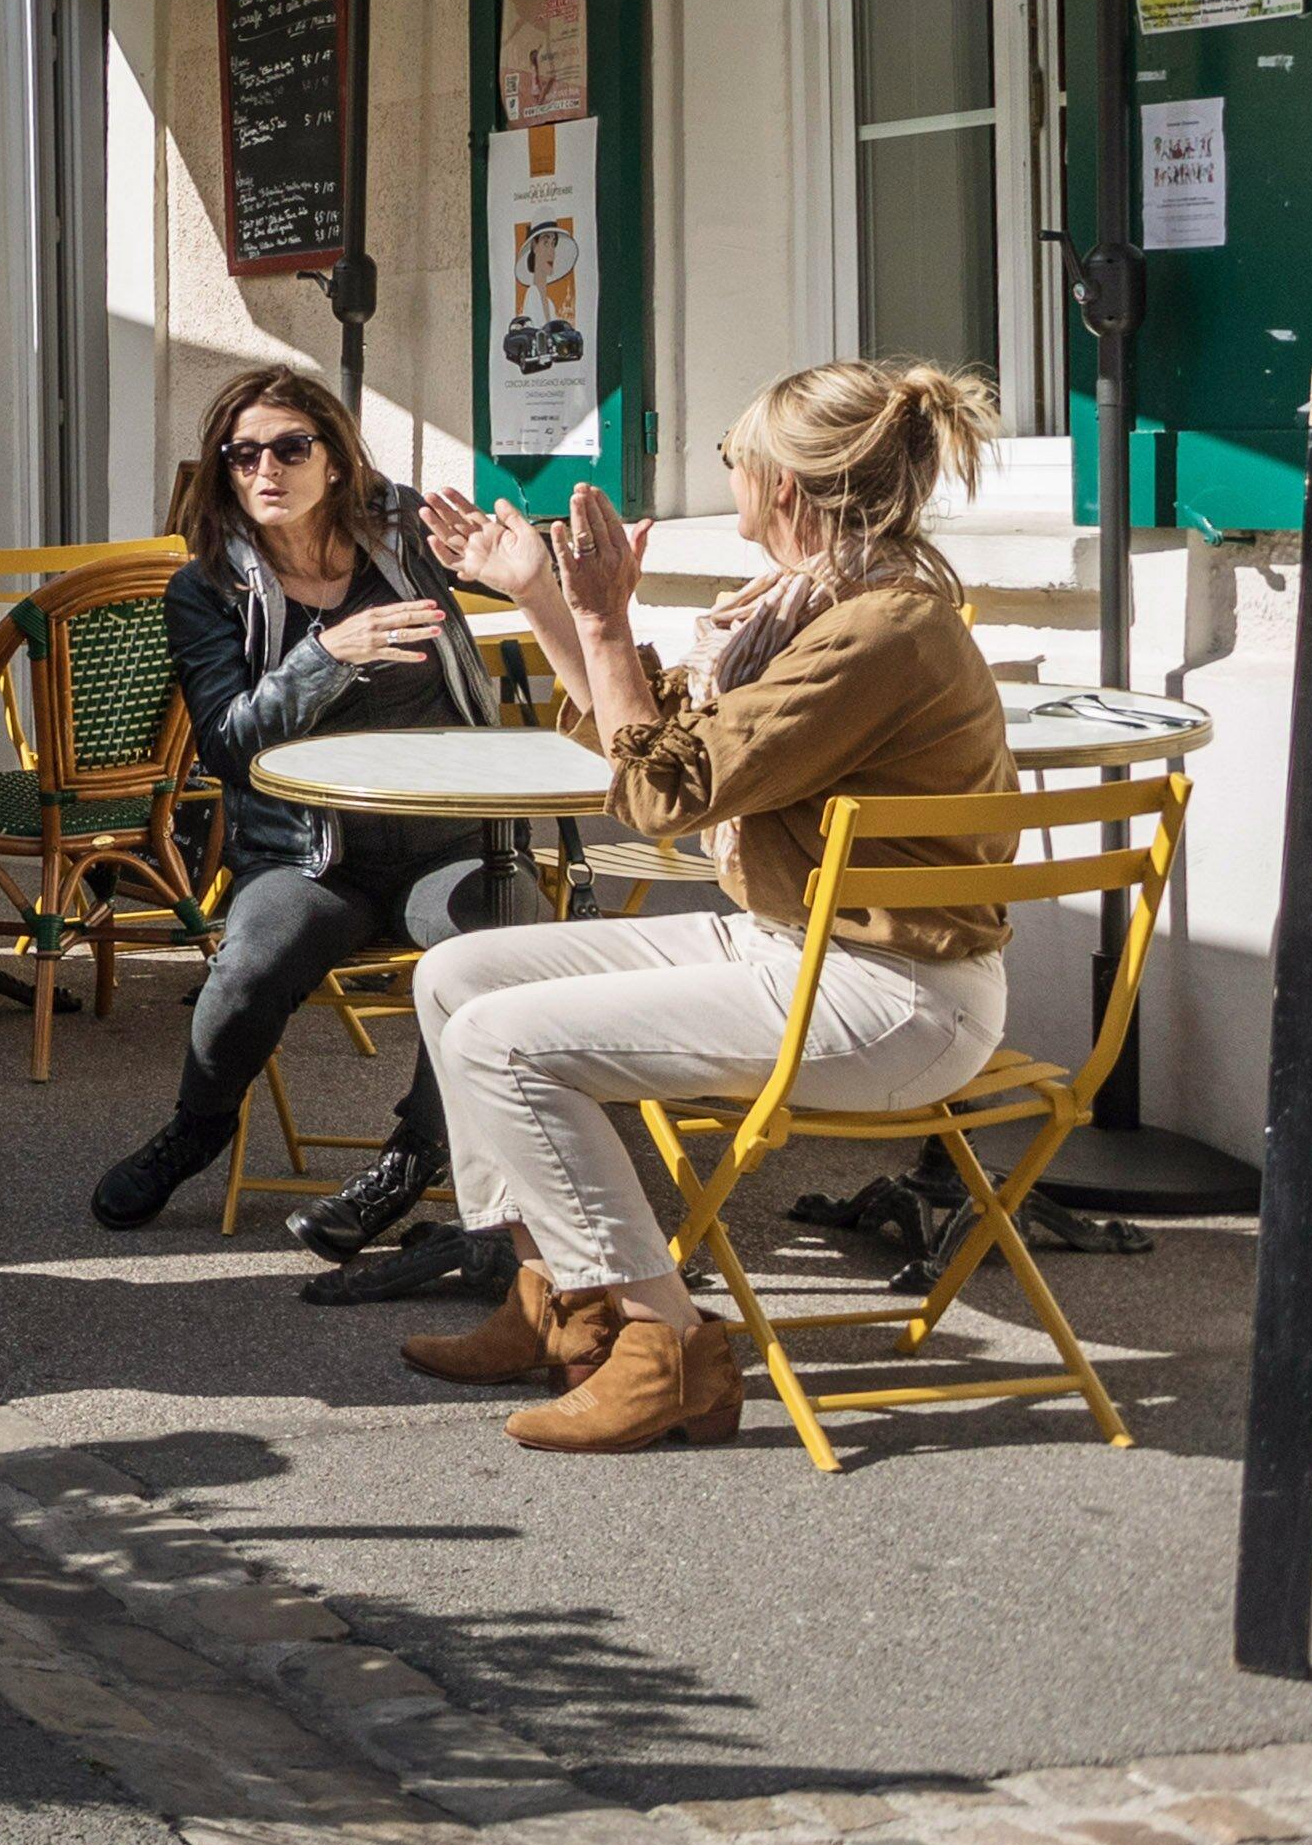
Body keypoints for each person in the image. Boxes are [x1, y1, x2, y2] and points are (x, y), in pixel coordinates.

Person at [387, 361, 1020, 1455]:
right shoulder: (818, 608)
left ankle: (667, 1345)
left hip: (892, 998)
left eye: (734, 454)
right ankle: (564, 1304)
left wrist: (602, 617)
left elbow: (663, 793)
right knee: (457, 976)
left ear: (784, 485)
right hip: (803, 950)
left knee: (502, 1042)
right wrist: (544, 597)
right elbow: (656, 739)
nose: (724, 470)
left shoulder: (875, 633)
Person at [88, 368, 506, 1241]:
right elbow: (227, 743)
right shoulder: (208, 588)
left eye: (289, 447)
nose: (265, 470)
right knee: (247, 969)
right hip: (310, 856)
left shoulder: (405, 541)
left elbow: (520, 580)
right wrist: (329, 655)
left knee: (489, 964)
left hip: (449, 842)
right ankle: (197, 1128)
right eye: (242, 455)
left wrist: (536, 563)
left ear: (336, 459)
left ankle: (413, 1156)